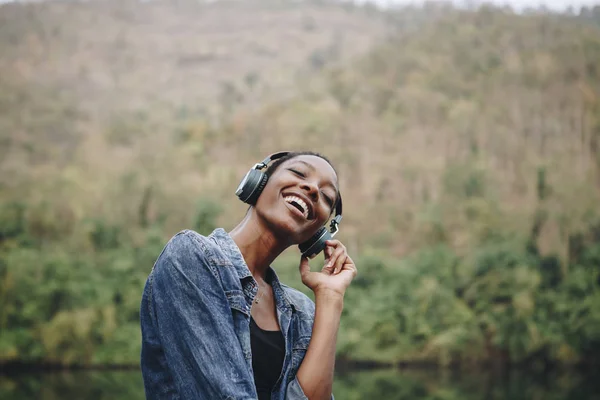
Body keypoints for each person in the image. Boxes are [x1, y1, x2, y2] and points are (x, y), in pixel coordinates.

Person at [140, 151, 357, 399]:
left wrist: (330, 297)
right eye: (298, 173)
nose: (313, 189)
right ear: (258, 182)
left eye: (326, 197)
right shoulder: (189, 257)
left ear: (319, 233)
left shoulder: (302, 313)